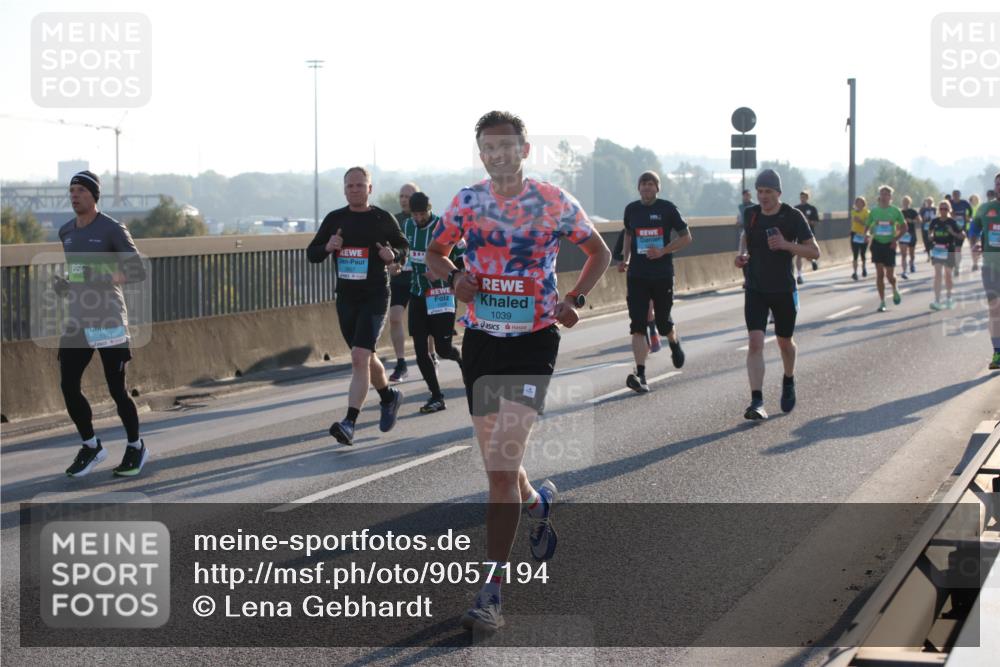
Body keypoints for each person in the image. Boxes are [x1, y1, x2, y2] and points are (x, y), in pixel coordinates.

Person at [425, 110, 610, 634]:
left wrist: (575, 297)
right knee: (500, 469)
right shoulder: (467, 202)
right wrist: (456, 275)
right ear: (481, 153)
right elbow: (434, 252)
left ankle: (490, 594)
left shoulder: (552, 201)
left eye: (508, 146)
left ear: (524, 151)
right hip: (482, 341)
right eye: (489, 147)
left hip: (533, 342)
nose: (499, 154)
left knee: (501, 467)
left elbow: (598, 249)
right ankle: (537, 500)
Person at [56, 171, 149, 478]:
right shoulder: (66, 231)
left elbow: (136, 271)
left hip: (108, 317)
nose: (74, 195)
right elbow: (81, 273)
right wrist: (68, 285)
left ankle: (136, 446)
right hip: (79, 320)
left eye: (81, 190)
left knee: (116, 390)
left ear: (94, 195)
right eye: (71, 190)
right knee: (68, 385)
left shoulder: (111, 228)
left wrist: (104, 278)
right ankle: (91, 445)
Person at [307, 167, 408, 446]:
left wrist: (393, 255)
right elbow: (312, 253)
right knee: (364, 356)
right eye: (350, 186)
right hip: (346, 298)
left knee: (359, 356)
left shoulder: (381, 218)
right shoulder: (335, 219)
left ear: (370, 189)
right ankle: (389, 397)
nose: (355, 190)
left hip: (375, 295)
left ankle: (349, 422)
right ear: (344, 189)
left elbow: (403, 245)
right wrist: (328, 246)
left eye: (360, 185)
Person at [735, 169, 820, 420]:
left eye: (768, 192)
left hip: (783, 288)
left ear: (778, 193)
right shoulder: (751, 214)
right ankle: (757, 401)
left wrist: (785, 245)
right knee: (755, 342)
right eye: (760, 191)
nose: (763, 197)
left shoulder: (792, 216)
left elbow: (814, 252)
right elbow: (744, 237)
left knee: (785, 342)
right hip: (755, 288)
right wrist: (742, 255)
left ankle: (789, 379)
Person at [618, 171, 691, 392]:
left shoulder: (668, 209)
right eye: (643, 184)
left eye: (651, 184)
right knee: (637, 326)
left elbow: (687, 237)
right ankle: (640, 375)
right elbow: (629, 235)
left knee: (662, 322)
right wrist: (625, 259)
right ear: (638, 187)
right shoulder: (632, 209)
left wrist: (663, 251)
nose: (647, 188)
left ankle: (674, 342)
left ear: (657, 188)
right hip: (637, 276)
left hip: (662, 274)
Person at [401, 191, 464, 413]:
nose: (418, 218)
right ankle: (436, 396)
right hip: (418, 293)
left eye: (422, 214)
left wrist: (442, 272)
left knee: (443, 349)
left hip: (441, 294)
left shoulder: (442, 227)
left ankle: (462, 361)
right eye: (415, 214)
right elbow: (405, 252)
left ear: (430, 210)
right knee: (420, 350)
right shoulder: (407, 226)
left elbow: (463, 256)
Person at [388, 183, 420, 382]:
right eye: (401, 196)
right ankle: (401, 363)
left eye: (408, 196)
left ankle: (431, 354)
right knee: (394, 317)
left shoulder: (424, 219)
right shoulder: (394, 221)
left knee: (423, 325)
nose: (404, 199)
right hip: (400, 277)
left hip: (420, 278)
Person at [970, 171, 1000, 370]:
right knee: (995, 308)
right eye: (998, 184)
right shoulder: (986, 209)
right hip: (991, 266)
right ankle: (998, 352)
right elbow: (973, 230)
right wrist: (974, 243)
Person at [865, 185, 906, 312]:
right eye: (882, 194)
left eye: (886, 194)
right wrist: (866, 235)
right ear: (879, 196)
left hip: (889, 244)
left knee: (890, 275)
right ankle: (882, 301)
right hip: (877, 243)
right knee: (879, 274)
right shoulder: (874, 211)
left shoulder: (895, 211)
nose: (884, 196)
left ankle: (895, 288)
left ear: (890, 197)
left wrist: (895, 239)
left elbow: (904, 227)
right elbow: (866, 227)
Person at [928, 200, 964, 310]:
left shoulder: (953, 222)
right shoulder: (934, 221)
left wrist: (952, 232)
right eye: (941, 208)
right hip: (937, 249)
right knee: (937, 274)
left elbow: (962, 235)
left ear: (949, 210)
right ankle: (937, 300)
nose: (943, 211)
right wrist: (931, 235)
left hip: (949, 249)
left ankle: (949, 298)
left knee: (948, 275)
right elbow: (929, 232)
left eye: (945, 209)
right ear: (939, 210)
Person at [793, 190, 821, 281]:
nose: (803, 198)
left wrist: (809, 222)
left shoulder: (812, 208)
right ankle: (799, 275)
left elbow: (816, 222)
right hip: (798, 234)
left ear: (807, 198)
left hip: (809, 235)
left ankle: (813, 261)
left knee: (809, 256)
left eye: (804, 197)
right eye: (801, 197)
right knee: (799, 255)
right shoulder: (796, 208)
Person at [951, 189, 973, 276]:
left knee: (958, 249)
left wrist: (968, 217)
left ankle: (957, 266)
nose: (955, 196)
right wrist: (950, 215)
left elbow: (970, 210)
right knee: (953, 249)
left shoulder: (964, 203)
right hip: (951, 229)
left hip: (961, 229)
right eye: (954, 195)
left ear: (960, 195)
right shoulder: (950, 203)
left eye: (957, 195)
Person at [899, 195, 919, 278]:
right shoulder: (900, 212)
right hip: (903, 234)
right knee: (903, 254)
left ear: (909, 203)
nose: (905, 203)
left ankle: (912, 263)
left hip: (911, 233)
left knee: (912, 253)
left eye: (907, 202)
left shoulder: (913, 211)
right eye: (904, 202)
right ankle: (904, 271)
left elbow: (919, 220)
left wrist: (912, 220)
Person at [850, 196, 869, 281]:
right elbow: (854, 220)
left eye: (860, 202)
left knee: (863, 254)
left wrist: (861, 221)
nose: (858, 204)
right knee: (855, 254)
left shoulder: (867, 212)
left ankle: (864, 268)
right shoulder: (853, 212)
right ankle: (855, 272)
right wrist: (860, 221)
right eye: (857, 202)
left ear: (863, 203)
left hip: (863, 234)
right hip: (855, 234)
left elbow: (867, 223)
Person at [919, 196, 936, 263]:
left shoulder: (934, 209)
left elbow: (936, 216)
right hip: (925, 227)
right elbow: (919, 218)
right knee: (926, 242)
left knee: (932, 241)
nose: (929, 203)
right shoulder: (923, 209)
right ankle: (929, 255)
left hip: (933, 227)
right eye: (928, 202)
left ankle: (933, 255)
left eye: (930, 202)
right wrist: (923, 218)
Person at [969, 193, 982, 271]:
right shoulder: (969, 208)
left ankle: (976, 262)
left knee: (976, 245)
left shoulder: (980, 207)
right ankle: (974, 263)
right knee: (972, 246)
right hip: (970, 228)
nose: (974, 200)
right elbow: (966, 217)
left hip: (978, 227)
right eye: (972, 199)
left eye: (975, 199)